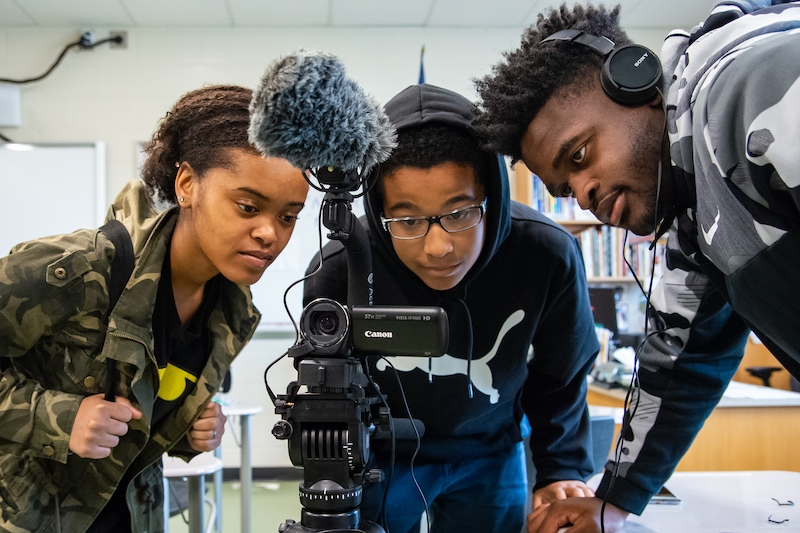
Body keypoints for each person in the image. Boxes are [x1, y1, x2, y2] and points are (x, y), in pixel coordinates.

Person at [474, 1, 800, 532]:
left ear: (634, 81)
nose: (582, 195)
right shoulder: (694, 210)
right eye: (563, 188)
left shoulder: (756, 82)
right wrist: (614, 501)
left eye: (579, 156)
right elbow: (680, 361)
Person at [0, 85, 309, 533]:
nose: (269, 234)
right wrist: (60, 419)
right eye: (247, 206)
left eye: (288, 216)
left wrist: (188, 430)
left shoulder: (230, 312)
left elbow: (143, 420)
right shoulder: (76, 270)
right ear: (187, 184)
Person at [302, 83, 600, 533]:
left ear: (491, 194)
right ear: (379, 209)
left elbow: (562, 373)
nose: (439, 246)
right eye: (408, 220)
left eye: (460, 213)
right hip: (383, 457)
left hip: (490, 451)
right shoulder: (338, 269)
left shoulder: (546, 255)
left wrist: (561, 468)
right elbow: (327, 391)